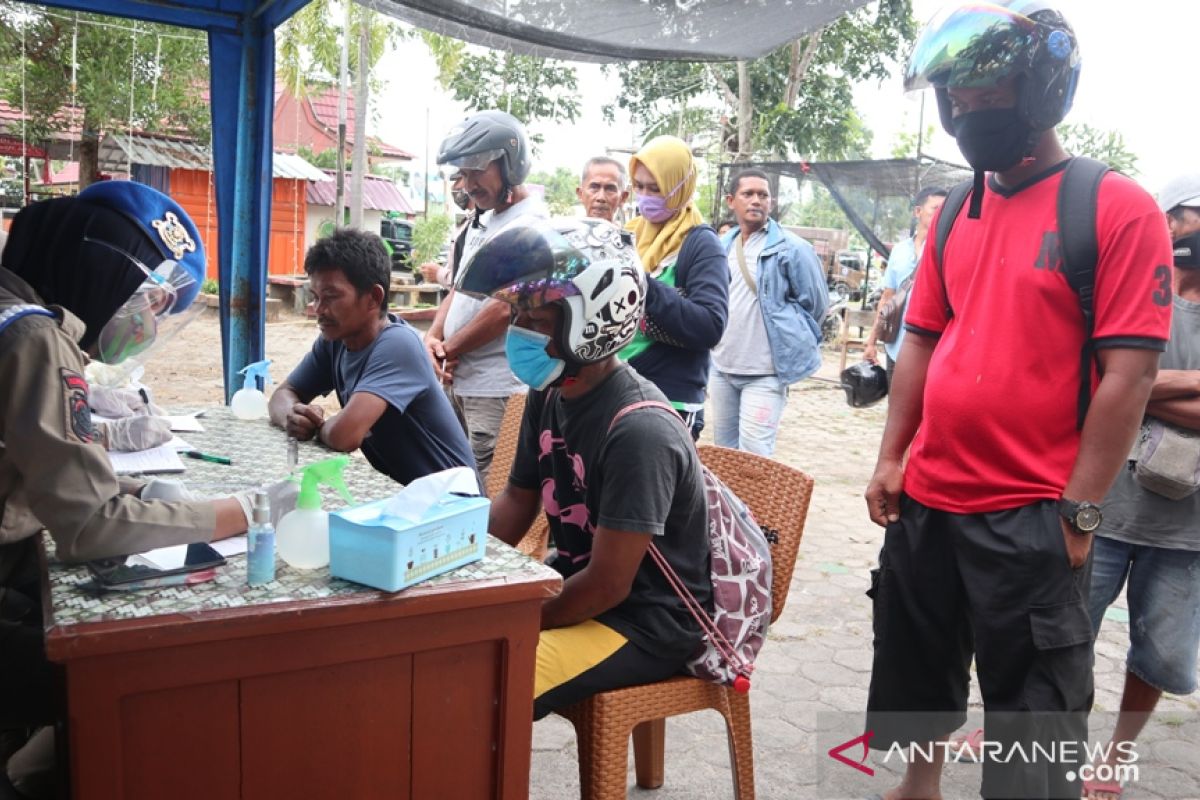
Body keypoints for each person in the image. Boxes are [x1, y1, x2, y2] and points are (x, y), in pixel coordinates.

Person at [862, 3, 1173, 799]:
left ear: (1041, 90)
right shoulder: (957, 211)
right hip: (930, 497)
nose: (968, 110)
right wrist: (893, 455)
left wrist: (1081, 510)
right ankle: (919, 784)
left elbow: (1129, 376)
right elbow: (923, 340)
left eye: (986, 91)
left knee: (1035, 710)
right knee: (915, 661)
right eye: (956, 97)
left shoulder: (1113, 206)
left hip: (1032, 510)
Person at [0, 181, 277, 793]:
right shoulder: (35, 338)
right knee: (153, 672)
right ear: (100, 271)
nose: (148, 319)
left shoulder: (11, 310)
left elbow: (44, 465)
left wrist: (130, 486)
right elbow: (91, 527)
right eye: (146, 300)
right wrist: (242, 511)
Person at [457, 216, 711, 718]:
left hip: (644, 623)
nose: (517, 333)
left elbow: (608, 584)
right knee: (443, 643)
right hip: (581, 588)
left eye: (536, 321)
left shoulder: (639, 432)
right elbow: (514, 504)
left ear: (591, 322)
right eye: (516, 316)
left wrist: (518, 619)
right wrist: (446, 557)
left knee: (483, 683)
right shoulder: (550, 391)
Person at [1082, 174, 1200, 800]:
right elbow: (1102, 377)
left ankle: (1116, 753)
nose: (1183, 232)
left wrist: (1142, 386)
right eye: (1181, 217)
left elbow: (1125, 385)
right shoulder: (1133, 291)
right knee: (1058, 628)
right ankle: (1009, 727)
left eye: (1189, 220)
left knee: (1158, 654)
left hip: (1187, 526)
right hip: (1103, 503)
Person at [269, 228, 475, 487]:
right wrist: (293, 416)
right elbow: (283, 394)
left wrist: (317, 427)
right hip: (404, 498)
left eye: (331, 297)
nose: (318, 309)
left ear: (374, 298)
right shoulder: (334, 343)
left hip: (452, 507)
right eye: (315, 297)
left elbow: (346, 435)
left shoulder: (398, 345)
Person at [424, 110, 545, 483]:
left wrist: (449, 350)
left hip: (496, 390)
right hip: (459, 381)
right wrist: (433, 338)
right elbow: (459, 289)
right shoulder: (480, 220)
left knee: (488, 490)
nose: (469, 183)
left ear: (510, 164)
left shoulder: (530, 226)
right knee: (455, 481)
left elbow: (503, 309)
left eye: (478, 170)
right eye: (464, 171)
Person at [711, 168, 827, 456]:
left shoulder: (793, 248)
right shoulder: (720, 246)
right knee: (725, 455)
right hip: (722, 368)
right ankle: (729, 505)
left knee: (754, 458)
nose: (756, 200)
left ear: (771, 203)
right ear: (731, 201)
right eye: (747, 194)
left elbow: (815, 305)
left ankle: (754, 505)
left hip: (766, 373)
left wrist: (792, 337)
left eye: (763, 195)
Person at [620, 135, 729, 439]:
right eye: (639, 187)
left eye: (656, 188)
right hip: (617, 386)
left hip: (668, 398)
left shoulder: (701, 245)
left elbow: (709, 325)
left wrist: (644, 284)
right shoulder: (630, 235)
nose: (645, 197)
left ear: (680, 186)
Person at [863, 186, 947, 383]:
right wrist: (871, 341)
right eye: (936, 209)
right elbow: (887, 297)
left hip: (932, 347)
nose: (941, 215)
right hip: (897, 345)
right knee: (897, 405)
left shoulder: (948, 249)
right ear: (918, 212)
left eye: (945, 210)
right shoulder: (899, 251)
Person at [419, 171, 473, 289]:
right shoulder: (468, 221)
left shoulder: (478, 224)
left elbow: (465, 280)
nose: (455, 191)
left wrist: (438, 273)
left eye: (459, 188)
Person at [576, 156, 629, 223]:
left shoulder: (628, 233)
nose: (601, 197)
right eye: (594, 187)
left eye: (610, 189)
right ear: (580, 194)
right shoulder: (563, 232)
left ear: (623, 197)